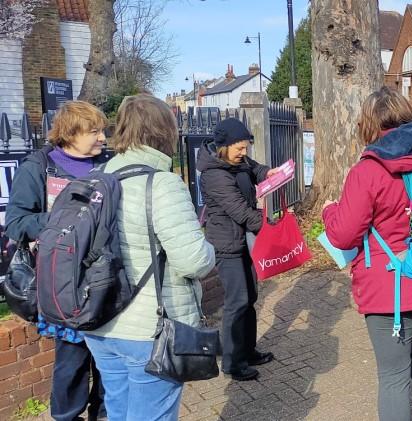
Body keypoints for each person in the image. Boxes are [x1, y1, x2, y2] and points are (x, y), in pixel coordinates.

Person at [322, 87, 412, 421]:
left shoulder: (368, 171)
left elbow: (343, 234)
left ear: (369, 124)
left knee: (393, 375)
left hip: (390, 286)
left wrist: (330, 211)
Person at [83, 95, 216, 421]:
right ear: (165, 131)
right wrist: (209, 247)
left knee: (119, 411)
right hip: (148, 330)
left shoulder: (95, 179)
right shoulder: (162, 184)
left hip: (100, 321)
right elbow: (194, 261)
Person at [6, 101, 108, 421]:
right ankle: (66, 415)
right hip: (63, 283)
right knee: (72, 361)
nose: (103, 138)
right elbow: (16, 223)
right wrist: (67, 219)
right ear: (71, 133)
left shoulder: (110, 164)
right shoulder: (38, 167)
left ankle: (104, 413)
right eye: (95, 131)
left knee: (108, 361)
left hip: (106, 278)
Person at [197, 118, 276, 381]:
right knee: (237, 301)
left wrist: (268, 173)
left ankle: (248, 350)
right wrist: (272, 229)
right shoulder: (214, 175)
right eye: (239, 148)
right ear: (224, 146)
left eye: (246, 147)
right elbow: (240, 211)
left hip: (244, 241)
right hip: (226, 244)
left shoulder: (238, 161)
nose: (244, 152)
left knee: (250, 296)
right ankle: (232, 362)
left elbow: (255, 168)